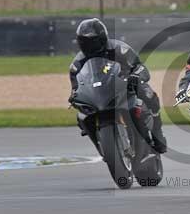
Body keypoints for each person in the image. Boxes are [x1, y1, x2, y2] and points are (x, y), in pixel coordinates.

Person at [69, 18, 167, 153]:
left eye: (93, 42)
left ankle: (157, 134)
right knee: (81, 117)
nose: (89, 46)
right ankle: (102, 147)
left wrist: (135, 76)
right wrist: (74, 96)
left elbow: (140, 67)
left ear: (102, 39)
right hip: (100, 94)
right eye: (85, 42)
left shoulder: (120, 49)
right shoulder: (77, 64)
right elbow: (76, 87)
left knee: (148, 93)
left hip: (125, 87)